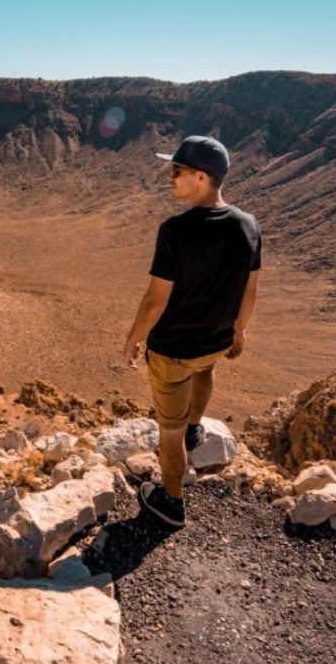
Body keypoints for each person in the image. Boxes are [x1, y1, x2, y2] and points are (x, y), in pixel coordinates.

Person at [122, 135, 261, 527]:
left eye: (177, 171)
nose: (170, 178)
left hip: (173, 348)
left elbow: (155, 300)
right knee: (205, 370)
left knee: (169, 431)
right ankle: (195, 429)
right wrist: (240, 331)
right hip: (216, 341)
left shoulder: (175, 231)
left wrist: (133, 339)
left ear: (200, 177)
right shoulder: (248, 225)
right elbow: (250, 289)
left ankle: (172, 502)